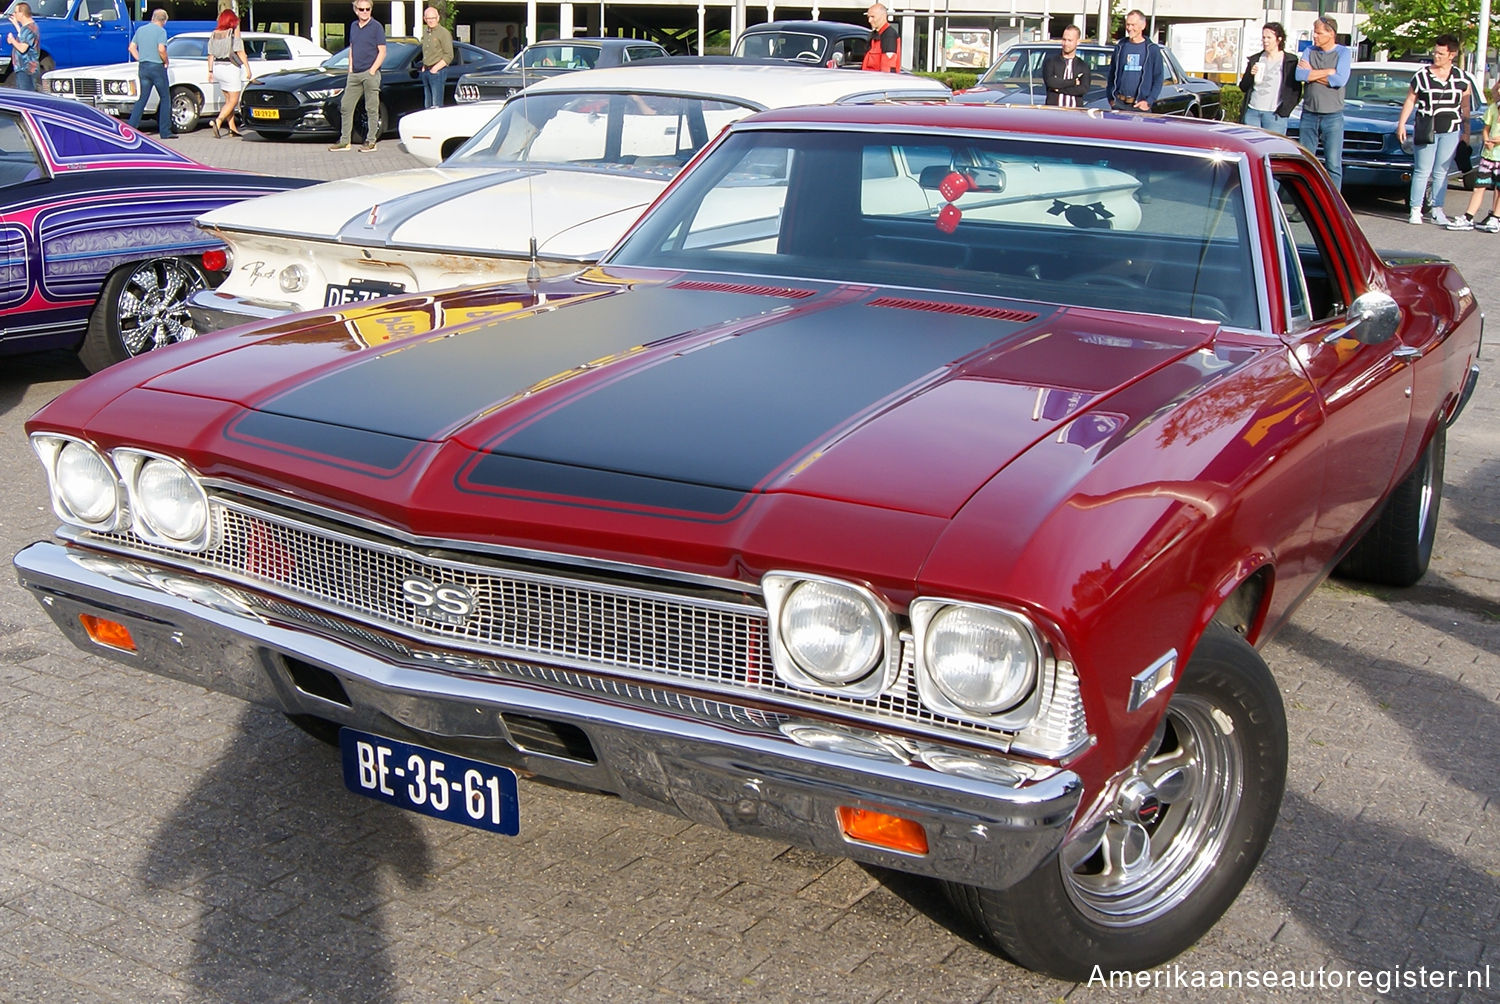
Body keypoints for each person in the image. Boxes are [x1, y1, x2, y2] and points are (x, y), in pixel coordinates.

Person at [1397, 34, 1475, 226]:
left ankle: (1437, 208)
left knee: (1442, 170)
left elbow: (1465, 107)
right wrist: (1401, 123)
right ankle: (1416, 208)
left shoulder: (1462, 78)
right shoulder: (1422, 76)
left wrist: (1466, 130)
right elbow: (1410, 100)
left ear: (1452, 54)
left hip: (1450, 128)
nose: (1436, 56)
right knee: (1422, 169)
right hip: (1426, 127)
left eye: (1441, 53)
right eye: (1435, 52)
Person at [1295, 16, 1351, 190]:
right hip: (1309, 114)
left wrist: (1312, 73)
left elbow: (1340, 79)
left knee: (1333, 164)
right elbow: (1300, 75)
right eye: (1315, 33)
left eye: (1319, 33)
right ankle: (1303, 203)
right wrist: (1327, 72)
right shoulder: (1309, 51)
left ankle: (1334, 205)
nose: (1315, 37)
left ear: (1331, 33)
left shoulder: (1343, 52)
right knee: (1305, 162)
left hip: (1332, 116)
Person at [331, 0, 386, 152]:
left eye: (368, 9)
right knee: (346, 106)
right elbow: (352, 47)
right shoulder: (354, 26)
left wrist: (372, 70)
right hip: (354, 74)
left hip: (370, 74)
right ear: (356, 10)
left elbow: (382, 51)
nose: (365, 12)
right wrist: (350, 68)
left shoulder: (377, 27)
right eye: (361, 9)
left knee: (371, 108)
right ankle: (344, 141)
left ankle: (371, 141)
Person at [1447, 76, 1500, 231]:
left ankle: (1495, 218)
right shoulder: (1493, 109)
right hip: (1488, 156)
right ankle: (1468, 217)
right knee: (1479, 186)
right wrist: (1487, 141)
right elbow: (1486, 129)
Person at [1238, 22, 1300, 134]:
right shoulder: (1256, 59)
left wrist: (1284, 111)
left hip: (1275, 115)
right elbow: (1243, 87)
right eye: (1263, 37)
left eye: (1269, 37)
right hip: (1253, 112)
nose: (1265, 41)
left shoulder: (1290, 61)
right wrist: (1250, 75)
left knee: (1273, 148)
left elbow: (1296, 90)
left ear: (1279, 39)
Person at [127, 10, 173, 140]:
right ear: (164, 21)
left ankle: (131, 127)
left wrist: (140, 58)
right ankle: (165, 131)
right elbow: (161, 49)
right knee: (165, 98)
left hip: (143, 67)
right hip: (156, 67)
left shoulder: (141, 30)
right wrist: (166, 61)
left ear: (153, 18)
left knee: (142, 98)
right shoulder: (161, 32)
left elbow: (131, 47)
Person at [1105, 9, 1162, 111]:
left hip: (1140, 106)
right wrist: (1111, 98)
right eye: (1128, 25)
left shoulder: (1152, 49)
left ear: (1143, 25)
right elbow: (1111, 75)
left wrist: (1148, 102)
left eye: (1133, 25)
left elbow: (1158, 79)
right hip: (1119, 104)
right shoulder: (1120, 47)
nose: (1129, 28)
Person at [206, 8, 246, 138]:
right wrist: (248, 68)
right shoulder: (233, 35)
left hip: (218, 67)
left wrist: (210, 71)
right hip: (230, 68)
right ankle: (218, 121)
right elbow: (240, 52)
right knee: (234, 100)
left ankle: (232, 128)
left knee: (228, 99)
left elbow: (210, 54)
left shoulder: (214, 34)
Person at [1042, 24, 1089, 108]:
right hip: (1053, 112)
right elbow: (1051, 82)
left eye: (1070, 40)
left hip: (1075, 114)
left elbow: (1083, 89)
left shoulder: (1083, 66)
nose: (1066, 43)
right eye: (1064, 39)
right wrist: (1073, 82)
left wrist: (1058, 89)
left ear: (1077, 42)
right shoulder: (1051, 62)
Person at [419, 6, 453, 109]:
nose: (431, 21)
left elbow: (449, 55)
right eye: (428, 18)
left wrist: (435, 68)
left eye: (433, 18)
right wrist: (424, 67)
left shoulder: (444, 33)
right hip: (426, 71)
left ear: (438, 18)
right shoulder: (426, 32)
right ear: (424, 19)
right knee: (427, 104)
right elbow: (425, 51)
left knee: (436, 105)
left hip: (438, 72)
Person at [5, 3, 40, 93]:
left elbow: (22, 48)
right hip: (22, 68)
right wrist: (16, 25)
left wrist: (12, 40)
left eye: (16, 12)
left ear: (22, 13)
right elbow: (23, 38)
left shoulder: (29, 28)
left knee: (27, 97)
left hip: (26, 69)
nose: (14, 14)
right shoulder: (26, 28)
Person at [861, 3, 899, 73]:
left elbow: (888, 67)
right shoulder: (875, 35)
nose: (869, 20)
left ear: (883, 16)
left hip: (879, 81)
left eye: (873, 17)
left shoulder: (889, 35)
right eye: (868, 17)